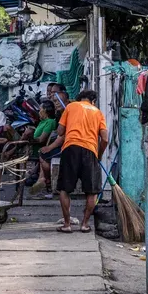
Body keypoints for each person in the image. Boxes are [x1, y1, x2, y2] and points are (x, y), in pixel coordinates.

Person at [43, 88, 109, 233]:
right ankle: (84, 224)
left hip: (70, 149)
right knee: (91, 192)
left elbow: (60, 132)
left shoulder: (71, 107)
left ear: (80, 98)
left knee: (65, 189)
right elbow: (105, 138)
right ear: (93, 101)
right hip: (90, 151)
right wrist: (99, 154)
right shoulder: (98, 112)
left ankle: (67, 224)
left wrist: (66, 121)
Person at [31, 101, 60, 197]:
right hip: (36, 147)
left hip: (40, 148)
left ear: (45, 111)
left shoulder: (50, 122)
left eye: (40, 109)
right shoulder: (42, 122)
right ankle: (41, 181)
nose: (39, 112)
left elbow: (41, 139)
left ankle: (43, 181)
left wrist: (29, 137)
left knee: (43, 155)